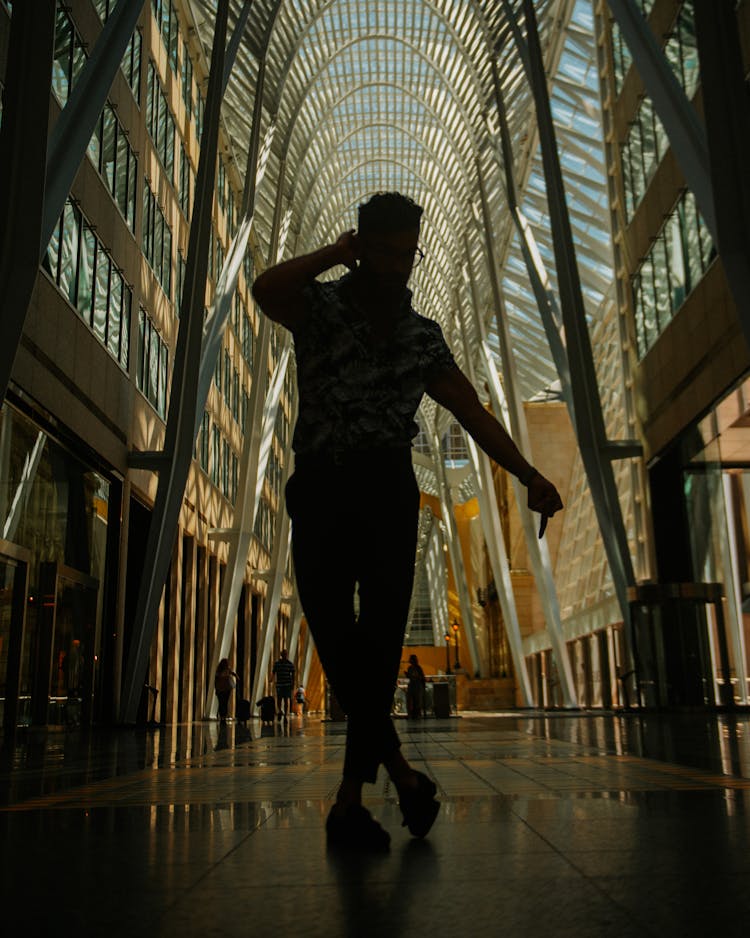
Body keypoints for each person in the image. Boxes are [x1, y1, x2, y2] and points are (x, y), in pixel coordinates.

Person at [252, 191, 563, 850]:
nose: (399, 266)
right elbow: (264, 287)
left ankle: (350, 803)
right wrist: (330, 256)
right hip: (323, 485)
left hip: (388, 493)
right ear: (361, 247)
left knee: (379, 644)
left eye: (407, 254)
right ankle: (396, 778)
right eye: (385, 252)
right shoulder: (320, 307)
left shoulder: (424, 336)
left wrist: (528, 475)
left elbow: (473, 413)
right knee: (337, 640)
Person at [272, 649, 295, 719]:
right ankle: (280, 711)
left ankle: (285, 715)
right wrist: (271, 678)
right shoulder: (277, 664)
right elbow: (273, 672)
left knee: (286, 700)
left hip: (287, 685)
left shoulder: (290, 664)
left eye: (285, 654)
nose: (284, 655)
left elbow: (293, 674)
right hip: (279, 684)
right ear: (281, 655)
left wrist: (293, 684)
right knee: (279, 699)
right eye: (283, 654)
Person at [214, 658, 238, 724]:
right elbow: (234, 674)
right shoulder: (227, 670)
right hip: (226, 689)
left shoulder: (218, 671)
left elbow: (216, 681)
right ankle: (223, 716)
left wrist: (216, 689)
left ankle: (222, 716)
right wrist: (236, 677)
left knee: (221, 703)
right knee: (225, 703)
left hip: (220, 689)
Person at [405, 654, 426, 719]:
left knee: (416, 700)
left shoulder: (417, 668)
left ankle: (416, 714)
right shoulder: (410, 668)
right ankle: (412, 714)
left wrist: (412, 676)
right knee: (411, 700)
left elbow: (421, 677)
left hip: (416, 685)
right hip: (413, 685)